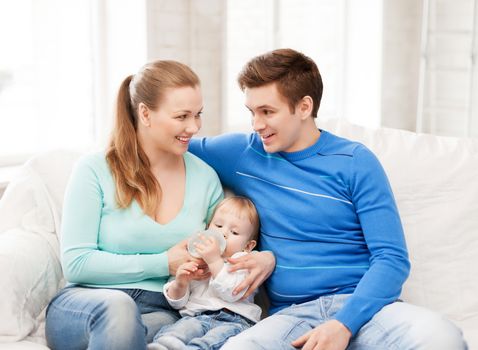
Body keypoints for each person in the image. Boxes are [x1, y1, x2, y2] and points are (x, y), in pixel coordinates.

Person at [188, 48, 468, 349]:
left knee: (442, 337)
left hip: (367, 311)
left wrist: (343, 324)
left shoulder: (355, 161)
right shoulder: (244, 153)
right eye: (252, 112)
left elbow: (392, 259)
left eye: (267, 112)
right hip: (293, 318)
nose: (256, 124)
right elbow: (171, 141)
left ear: (304, 106)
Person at [45, 60, 223, 350]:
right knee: (119, 309)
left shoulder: (205, 178)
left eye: (198, 115)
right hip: (89, 304)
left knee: (176, 333)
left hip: (162, 311)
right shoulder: (94, 169)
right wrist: (163, 262)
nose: (194, 127)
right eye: (182, 116)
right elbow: (77, 264)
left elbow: (224, 248)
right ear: (145, 113)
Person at [150, 196, 262, 350]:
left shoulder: (243, 260)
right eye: (218, 225)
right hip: (196, 317)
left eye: (234, 232)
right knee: (177, 331)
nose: (223, 234)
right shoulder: (197, 257)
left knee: (210, 342)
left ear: (248, 246)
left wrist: (215, 261)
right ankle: (163, 346)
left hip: (234, 320)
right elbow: (178, 303)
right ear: (208, 228)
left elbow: (232, 292)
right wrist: (181, 282)